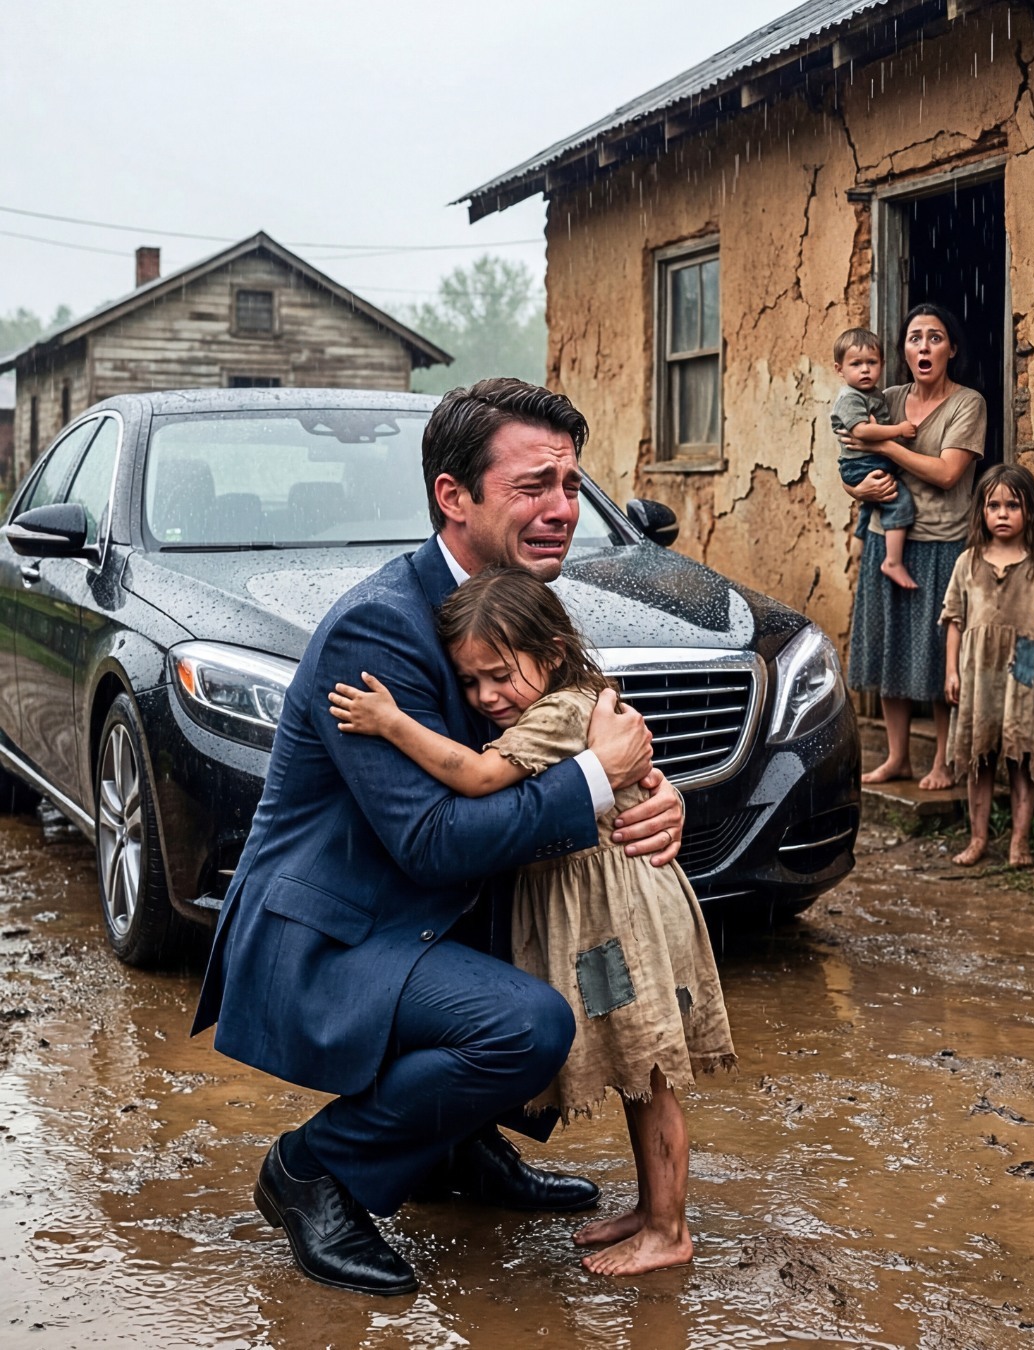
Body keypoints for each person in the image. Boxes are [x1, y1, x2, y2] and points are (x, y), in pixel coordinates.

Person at [190, 378, 686, 1297]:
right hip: (335, 930)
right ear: (453, 497)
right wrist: (594, 785)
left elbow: (591, 734)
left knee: (579, 955)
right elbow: (432, 843)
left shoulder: (519, 603)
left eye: (572, 486)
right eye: (533, 486)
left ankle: (456, 1151)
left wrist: (658, 798)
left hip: (429, 912)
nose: (562, 511)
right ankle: (315, 1172)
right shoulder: (380, 627)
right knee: (528, 1023)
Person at [330, 565, 737, 1277]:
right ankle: (651, 1208)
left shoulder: (559, 713)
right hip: (609, 914)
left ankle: (669, 1229)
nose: (486, 697)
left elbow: (479, 778)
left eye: (498, 676)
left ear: (550, 655)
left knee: (648, 1069)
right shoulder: (572, 704)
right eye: (470, 682)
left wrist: (392, 724)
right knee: (633, 1066)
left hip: (619, 916)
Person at [843, 303, 987, 790]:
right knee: (888, 648)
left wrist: (885, 446)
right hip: (886, 540)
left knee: (937, 655)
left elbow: (948, 474)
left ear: (951, 349)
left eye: (935, 337)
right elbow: (850, 455)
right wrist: (857, 491)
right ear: (903, 351)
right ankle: (898, 757)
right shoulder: (885, 397)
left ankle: (943, 761)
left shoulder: (968, 403)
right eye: (914, 338)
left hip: (943, 544)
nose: (924, 346)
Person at [941, 465, 1034, 868]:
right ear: (981, 511)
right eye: (993, 505)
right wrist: (952, 670)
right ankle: (978, 838)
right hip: (978, 672)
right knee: (980, 757)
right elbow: (954, 620)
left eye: (1012, 505)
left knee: (1020, 758)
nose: (1002, 513)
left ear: (1029, 512)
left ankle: (1019, 842)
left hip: (1024, 670)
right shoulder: (967, 562)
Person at [831, 326, 918, 589]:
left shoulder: (874, 394)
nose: (865, 370)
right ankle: (892, 561)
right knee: (898, 500)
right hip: (860, 465)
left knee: (873, 500)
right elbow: (861, 431)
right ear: (840, 369)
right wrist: (899, 430)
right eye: (856, 364)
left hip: (865, 462)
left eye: (871, 362)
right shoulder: (850, 398)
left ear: (882, 363)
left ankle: (859, 535)